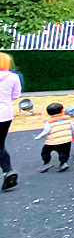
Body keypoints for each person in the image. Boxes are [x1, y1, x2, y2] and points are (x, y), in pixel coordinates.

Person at [0, 52, 22, 191]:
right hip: (5, 114)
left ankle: (8, 170)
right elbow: (16, 95)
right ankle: (8, 170)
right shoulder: (13, 77)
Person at [35, 102, 74, 172]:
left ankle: (46, 163)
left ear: (48, 113)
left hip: (52, 142)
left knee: (45, 152)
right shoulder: (67, 120)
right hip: (66, 141)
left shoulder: (49, 122)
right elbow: (72, 128)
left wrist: (39, 137)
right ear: (62, 111)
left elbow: (46, 131)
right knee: (64, 153)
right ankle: (63, 163)